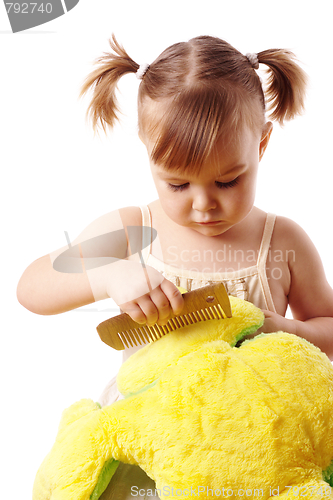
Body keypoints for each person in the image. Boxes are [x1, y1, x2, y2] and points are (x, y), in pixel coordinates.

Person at [17, 34, 333, 499]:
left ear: (261, 144)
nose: (204, 204)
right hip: (154, 444)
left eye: (228, 180)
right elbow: (32, 287)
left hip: (258, 446)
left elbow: (328, 323)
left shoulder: (281, 242)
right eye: (178, 184)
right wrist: (108, 274)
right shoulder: (133, 230)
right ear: (149, 155)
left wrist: (285, 329)